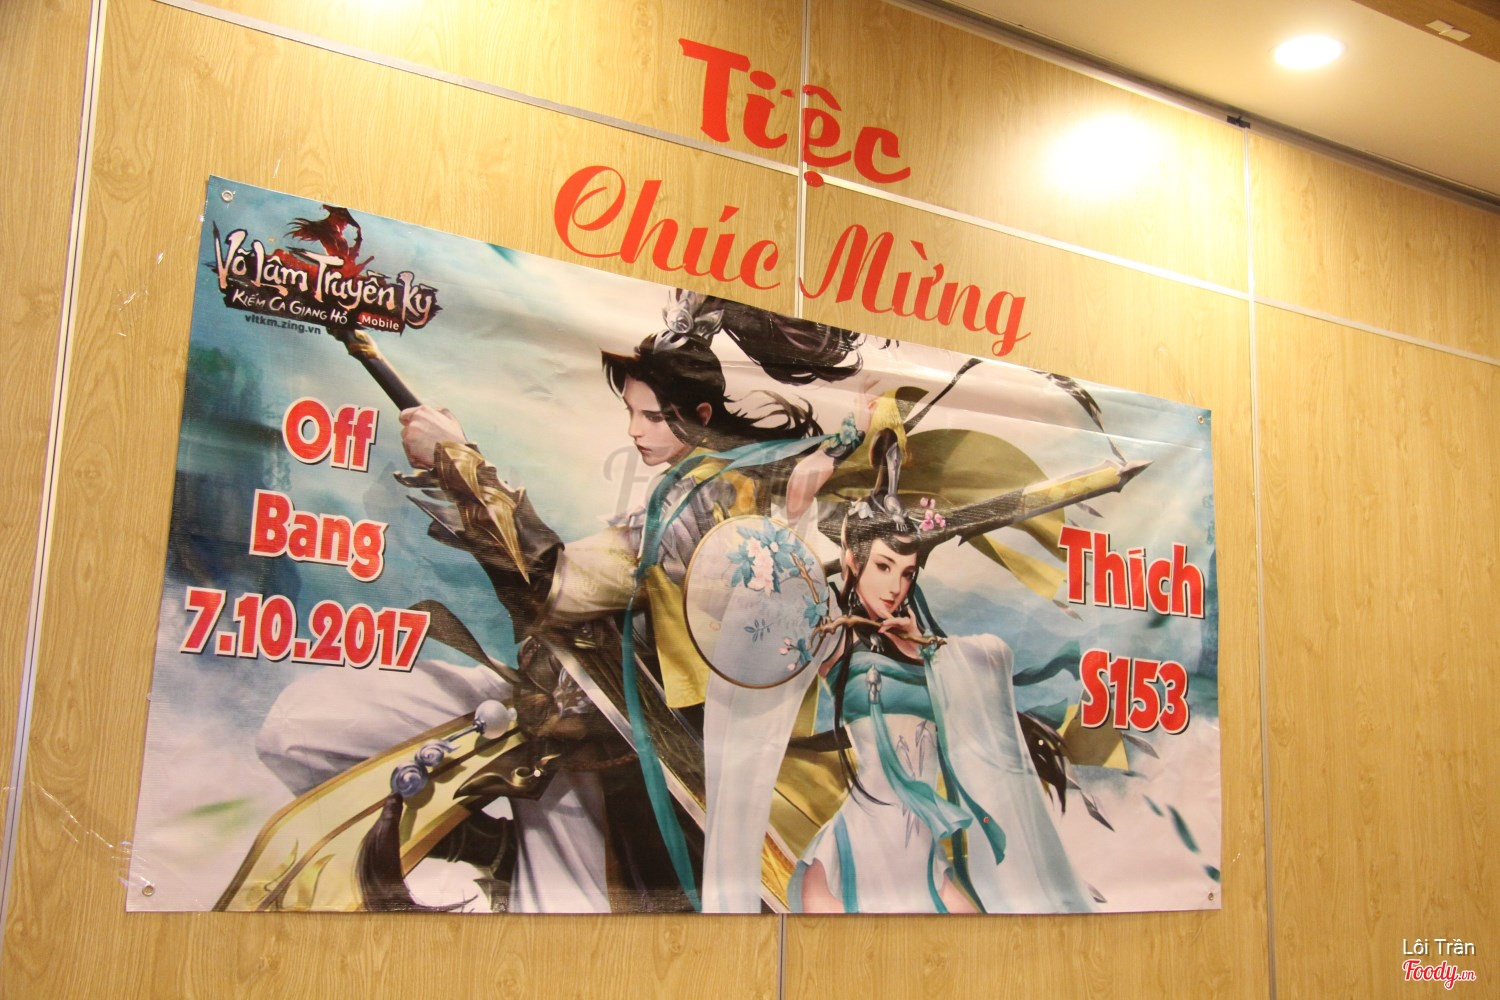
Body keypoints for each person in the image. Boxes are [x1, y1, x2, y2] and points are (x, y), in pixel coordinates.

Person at [255, 290, 865, 912]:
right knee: (298, 728)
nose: (634, 430)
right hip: (560, 705)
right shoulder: (709, 491)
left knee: (555, 913)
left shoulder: (709, 504)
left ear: (700, 414)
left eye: (653, 416)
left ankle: (496, 853)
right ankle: (490, 849)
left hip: (607, 747)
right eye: (631, 412)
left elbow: (552, 586)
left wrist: (457, 462)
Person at [787, 458, 1092, 914]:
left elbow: (995, 657)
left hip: (924, 865)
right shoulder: (836, 637)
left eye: (907, 573)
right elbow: (787, 586)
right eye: (883, 566)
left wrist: (928, 649)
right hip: (849, 858)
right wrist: (798, 508)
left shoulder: (926, 646)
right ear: (852, 560)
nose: (895, 586)